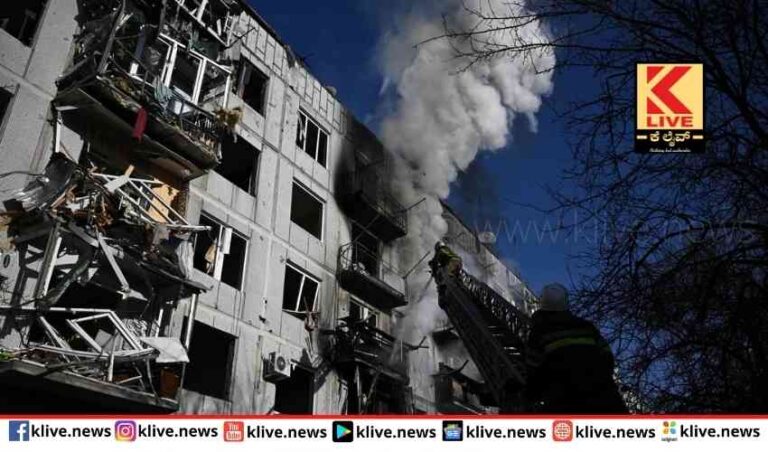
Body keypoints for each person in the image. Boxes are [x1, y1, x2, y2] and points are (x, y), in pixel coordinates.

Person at [525, 283, 628, 413]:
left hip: (564, 400)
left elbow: (533, 370)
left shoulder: (539, 333)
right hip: (604, 396)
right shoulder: (586, 327)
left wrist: (531, 397)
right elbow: (607, 356)